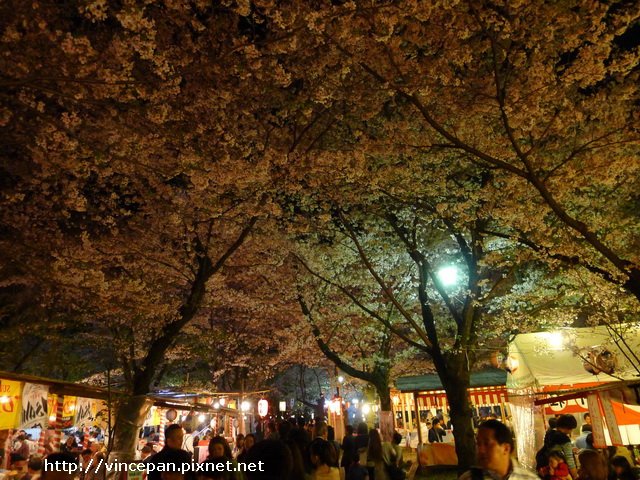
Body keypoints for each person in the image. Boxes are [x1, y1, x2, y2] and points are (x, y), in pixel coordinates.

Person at [459, 419, 538, 480]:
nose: (481, 450)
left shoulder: (529, 478)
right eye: (478, 444)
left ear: (506, 448)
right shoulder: (469, 478)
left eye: (487, 444)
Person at [541, 414, 578, 480]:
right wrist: (575, 476)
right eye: (571, 428)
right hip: (561, 472)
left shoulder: (549, 433)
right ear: (568, 427)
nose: (571, 431)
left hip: (550, 470)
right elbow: (569, 460)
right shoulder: (564, 439)